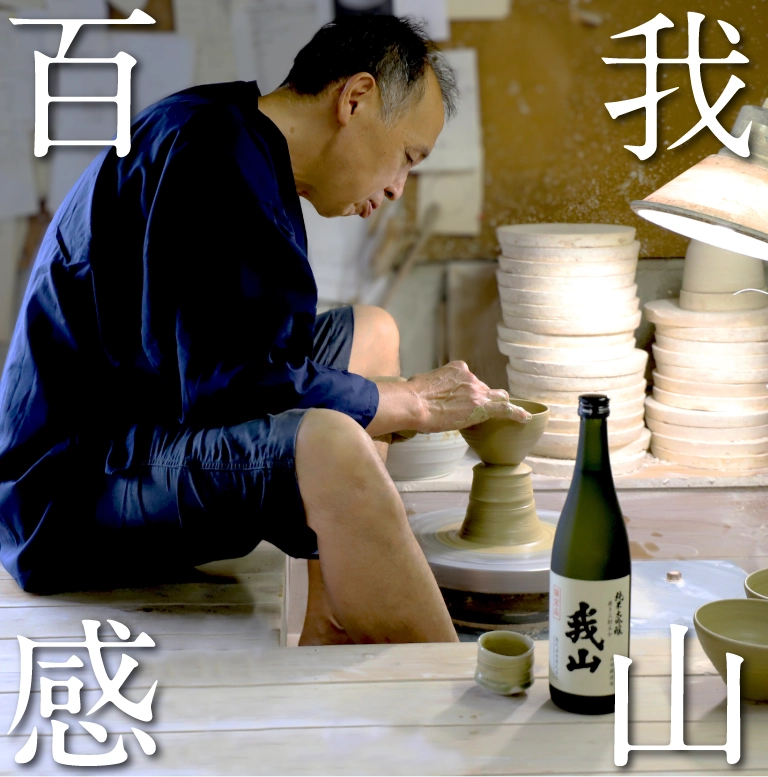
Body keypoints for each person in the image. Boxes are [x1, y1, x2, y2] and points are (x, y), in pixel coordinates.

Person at [0, 15, 528, 644]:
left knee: (371, 332)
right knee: (332, 440)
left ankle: (331, 613)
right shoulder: (213, 154)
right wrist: (409, 402)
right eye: (407, 158)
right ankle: (441, 684)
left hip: (139, 427)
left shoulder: (233, 133)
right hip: (70, 494)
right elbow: (230, 389)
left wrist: (388, 399)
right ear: (355, 99)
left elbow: (246, 355)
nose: (396, 188)